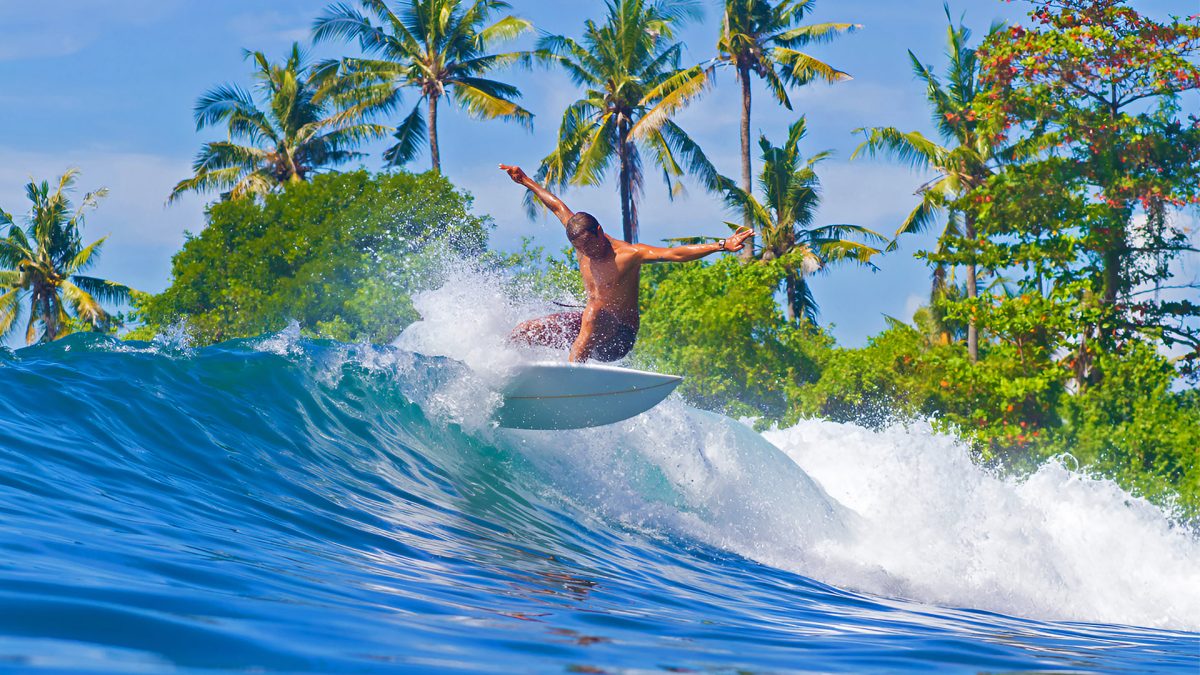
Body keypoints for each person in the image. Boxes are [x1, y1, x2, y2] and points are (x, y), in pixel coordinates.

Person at [499, 163, 755, 363]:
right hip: (589, 331)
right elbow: (557, 206)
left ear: (600, 231)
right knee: (526, 330)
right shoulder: (580, 240)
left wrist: (721, 245)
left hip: (618, 338)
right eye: (580, 249)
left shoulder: (629, 254)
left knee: (594, 310)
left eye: (590, 245)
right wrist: (524, 181)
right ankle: (502, 368)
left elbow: (676, 253)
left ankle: (573, 377)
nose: (587, 252)